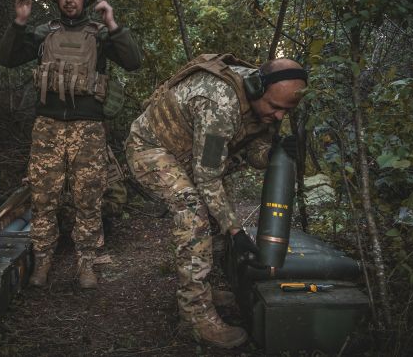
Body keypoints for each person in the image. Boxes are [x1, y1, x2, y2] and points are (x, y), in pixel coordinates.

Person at [125, 54, 306, 348]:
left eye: (287, 111)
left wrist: (274, 152)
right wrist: (235, 231)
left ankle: (200, 288)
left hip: (188, 153)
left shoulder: (265, 100)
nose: (279, 117)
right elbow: (207, 178)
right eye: (275, 108)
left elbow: (255, 148)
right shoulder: (219, 102)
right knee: (193, 212)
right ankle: (194, 316)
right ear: (257, 88)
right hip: (151, 148)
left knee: (217, 212)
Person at [0, 0, 141, 289]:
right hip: (47, 126)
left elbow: (133, 61)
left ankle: (86, 265)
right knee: (43, 199)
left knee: (87, 199)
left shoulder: (99, 34)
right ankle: (42, 263)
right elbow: (7, 58)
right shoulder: (43, 33)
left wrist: (112, 23)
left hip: (88, 128)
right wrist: (19, 21)